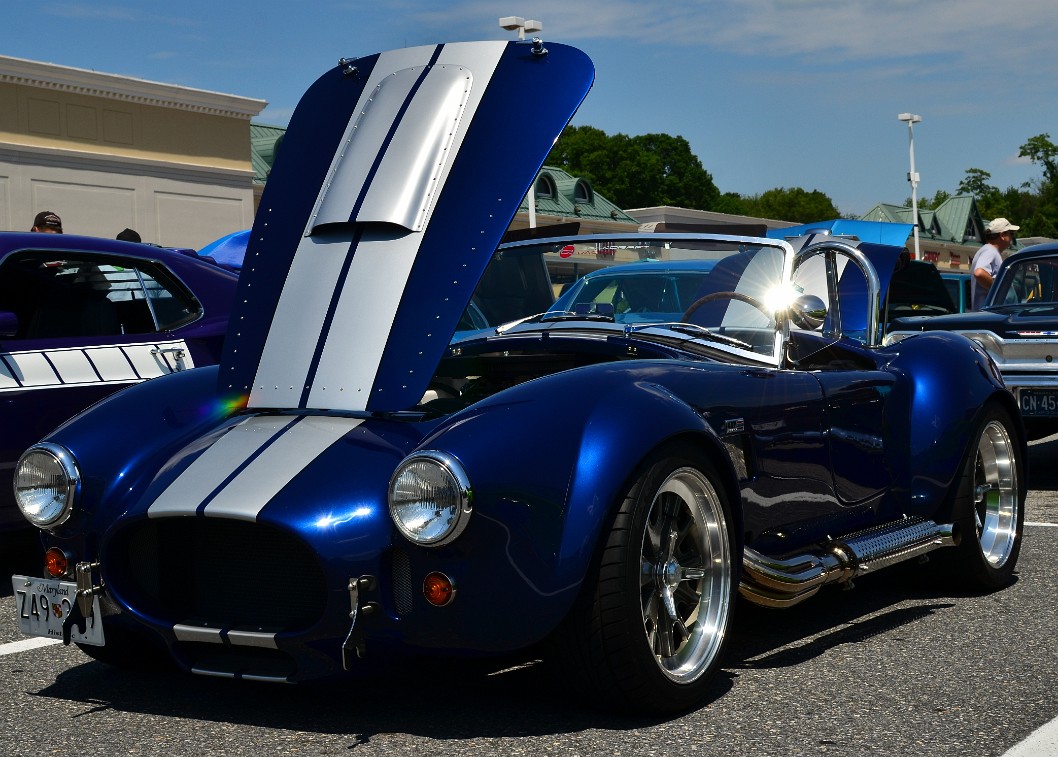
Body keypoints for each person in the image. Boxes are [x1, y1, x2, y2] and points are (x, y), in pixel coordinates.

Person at [971, 217, 1019, 309]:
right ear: (1002, 235)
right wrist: (999, 289)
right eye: (1011, 233)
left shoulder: (987, 250)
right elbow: (979, 273)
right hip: (989, 316)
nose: (1012, 237)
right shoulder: (990, 251)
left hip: (987, 315)